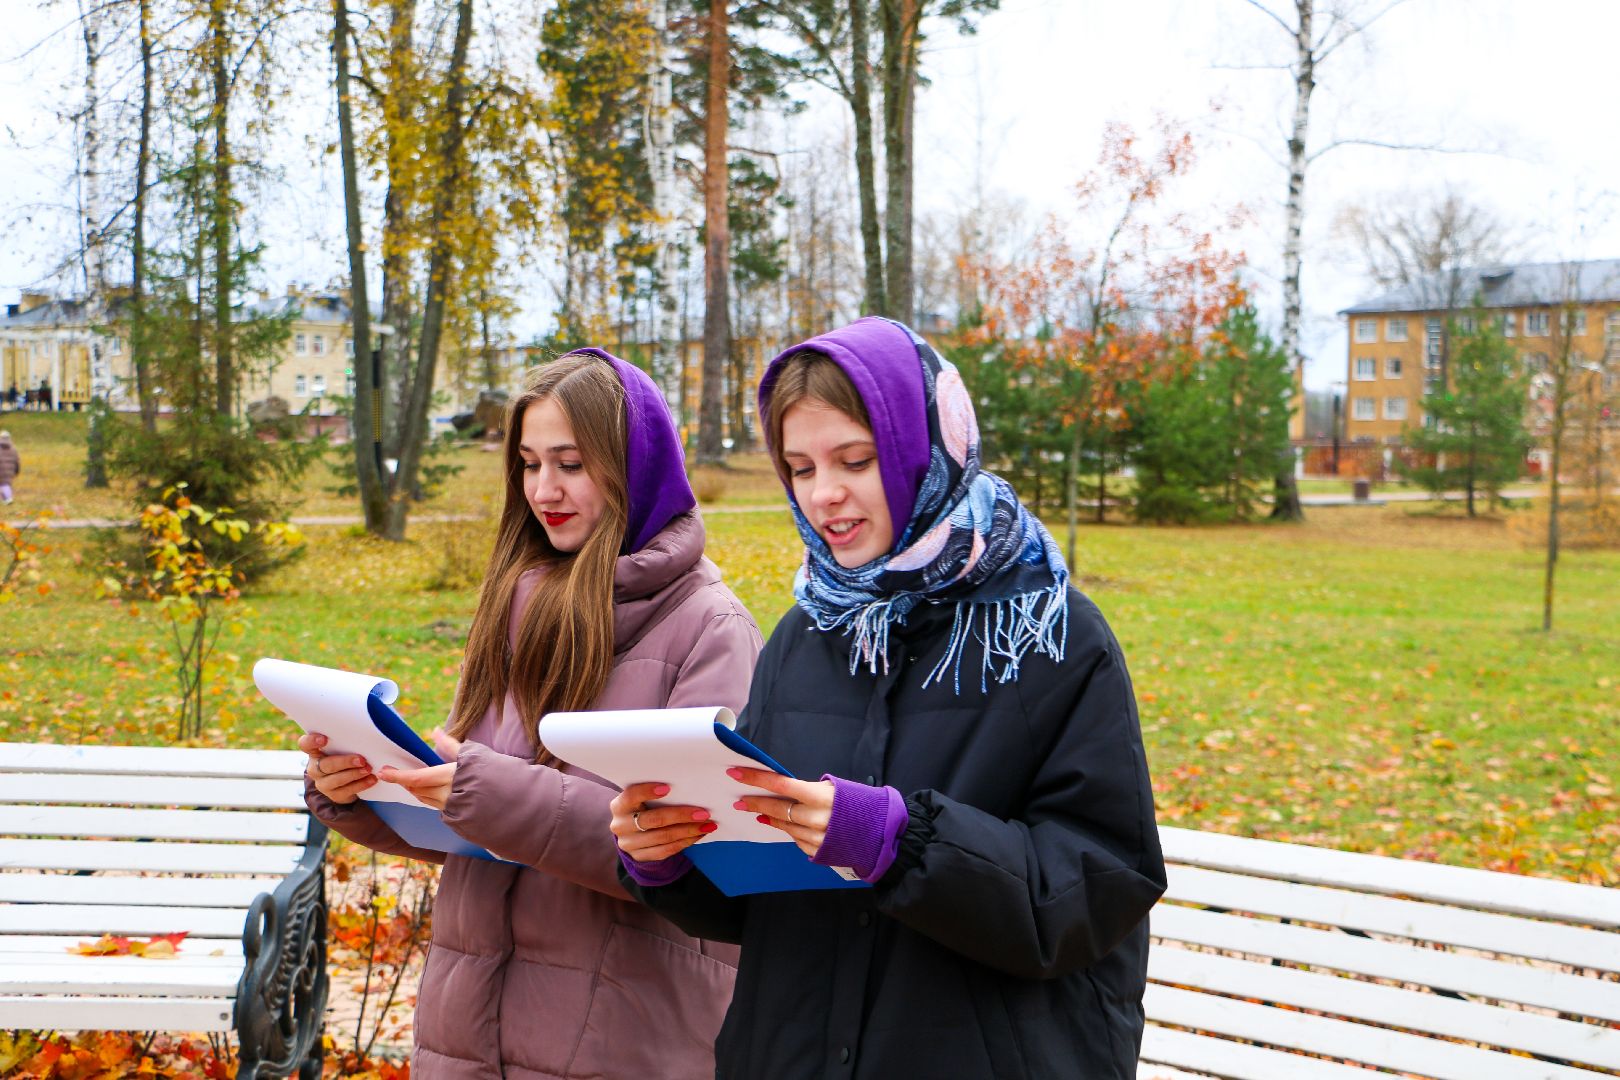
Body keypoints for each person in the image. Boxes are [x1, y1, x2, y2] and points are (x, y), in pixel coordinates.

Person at [612, 317, 1166, 1079]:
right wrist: (673, 860)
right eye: (800, 468)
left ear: (923, 450)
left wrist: (903, 844)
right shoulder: (805, 633)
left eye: (856, 460)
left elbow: (1098, 887)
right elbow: (766, 907)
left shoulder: (1051, 633)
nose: (825, 494)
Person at [300, 349, 762, 1078]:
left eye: (571, 464)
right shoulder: (515, 602)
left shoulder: (712, 628)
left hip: (621, 1037)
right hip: (468, 1031)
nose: (545, 489)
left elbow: (696, 848)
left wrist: (485, 791)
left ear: (635, 467)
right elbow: (474, 825)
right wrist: (364, 789)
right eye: (528, 463)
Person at [0, 430, 17, 503]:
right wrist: (16, 470)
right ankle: (7, 498)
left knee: (2, 485)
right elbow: (17, 461)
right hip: (10, 471)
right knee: (6, 484)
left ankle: (7, 499)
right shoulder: (13, 449)